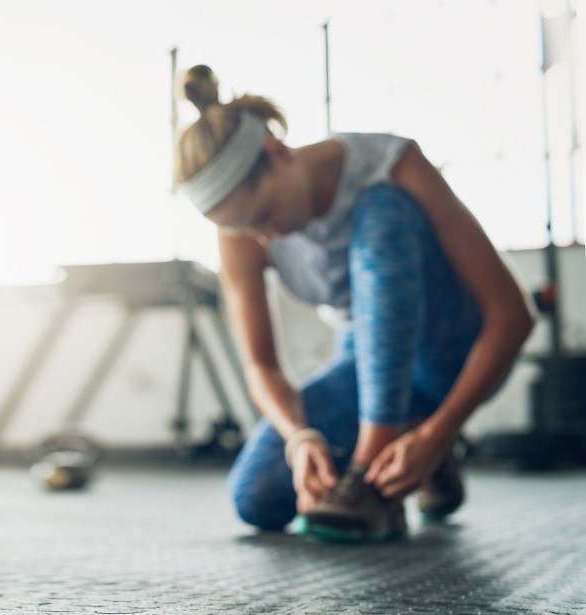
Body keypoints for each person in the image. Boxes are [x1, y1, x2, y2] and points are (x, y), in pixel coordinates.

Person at [174, 65, 535, 541]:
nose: (263, 237)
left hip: (451, 351)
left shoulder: (390, 161)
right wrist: (298, 437)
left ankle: (375, 469)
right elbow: (261, 365)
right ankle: (407, 442)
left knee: (380, 210)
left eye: (263, 214)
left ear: (278, 152)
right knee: (257, 496)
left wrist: (442, 431)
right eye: (245, 229)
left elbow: (512, 316)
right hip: (364, 365)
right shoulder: (243, 230)